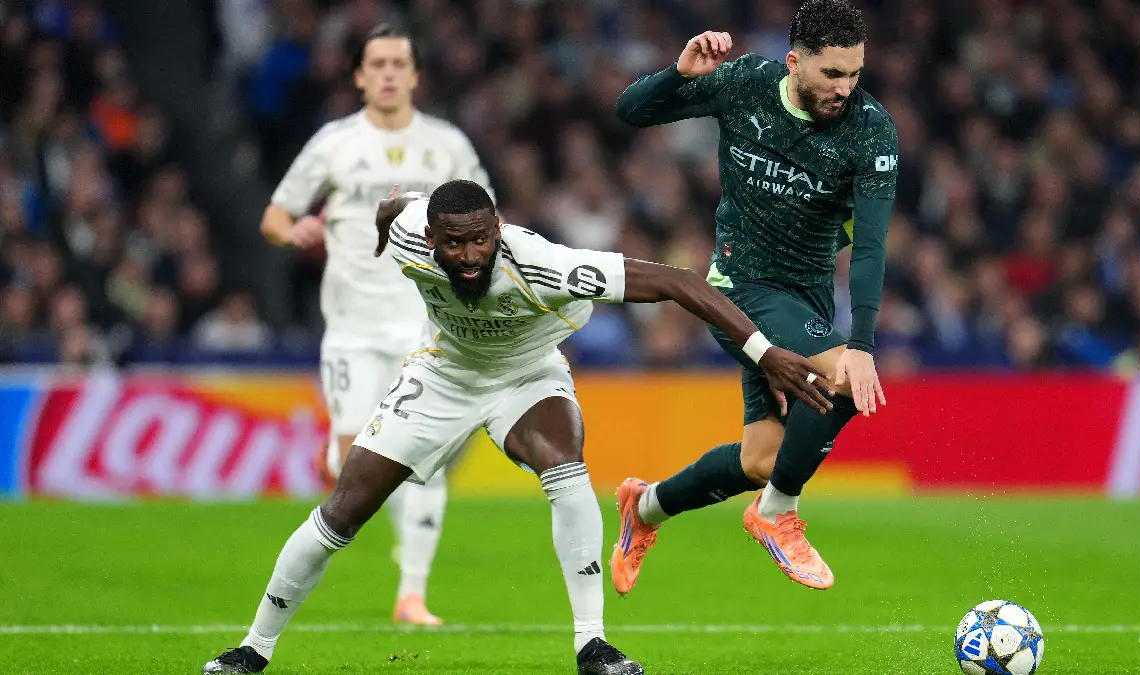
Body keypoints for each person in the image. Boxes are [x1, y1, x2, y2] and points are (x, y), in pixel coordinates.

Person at [202, 179, 833, 675]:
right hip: (442, 373)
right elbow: (391, 207)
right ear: (431, 236)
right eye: (454, 244)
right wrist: (376, 236)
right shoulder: (407, 230)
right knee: (343, 509)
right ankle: (251, 651)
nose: (470, 256)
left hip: (528, 374)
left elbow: (678, 282)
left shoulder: (546, 265)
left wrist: (763, 353)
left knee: (565, 465)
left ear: (498, 229)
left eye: (481, 240)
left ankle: (594, 648)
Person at [609, 0, 897, 593]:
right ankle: (775, 516)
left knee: (763, 462)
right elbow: (629, 111)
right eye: (831, 74)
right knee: (844, 380)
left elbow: (868, 249)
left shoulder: (871, 131)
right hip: (738, 289)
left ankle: (644, 508)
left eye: (855, 74)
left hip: (807, 298)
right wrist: (679, 74)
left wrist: (862, 338)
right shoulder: (746, 85)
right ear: (794, 62)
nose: (844, 88)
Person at [261, 23, 494, 625]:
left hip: (428, 328)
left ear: (415, 75)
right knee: (350, 470)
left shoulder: (446, 146)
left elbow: (488, 219)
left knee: (426, 457)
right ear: (360, 76)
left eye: (399, 63)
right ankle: (333, 451)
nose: (388, 73)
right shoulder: (333, 143)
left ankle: (411, 594)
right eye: (377, 64)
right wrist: (296, 231)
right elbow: (275, 216)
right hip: (353, 328)